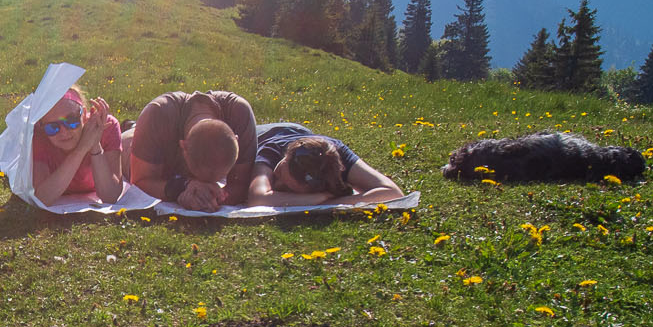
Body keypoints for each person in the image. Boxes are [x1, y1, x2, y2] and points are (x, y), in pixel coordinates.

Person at [127, 89, 258, 211]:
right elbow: (139, 182)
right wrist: (180, 188)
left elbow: (242, 183)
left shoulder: (240, 114)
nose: (208, 184)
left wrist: (212, 198)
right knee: (127, 142)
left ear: (237, 140)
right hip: (136, 140)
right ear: (183, 147)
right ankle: (130, 126)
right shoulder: (157, 114)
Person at [246, 122, 404, 208]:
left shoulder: (334, 156)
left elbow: (393, 192)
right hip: (263, 133)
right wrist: (319, 199)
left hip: (303, 132)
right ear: (286, 155)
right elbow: (258, 198)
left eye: (288, 188)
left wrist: (329, 203)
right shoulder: (272, 150)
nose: (276, 183)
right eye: (279, 172)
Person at [31, 86, 125, 203]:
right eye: (53, 127)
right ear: (42, 125)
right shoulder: (39, 135)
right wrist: (81, 149)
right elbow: (42, 198)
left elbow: (110, 196)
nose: (64, 132)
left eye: (71, 120)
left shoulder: (106, 126)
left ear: (84, 114)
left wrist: (95, 145)